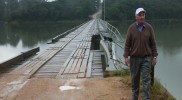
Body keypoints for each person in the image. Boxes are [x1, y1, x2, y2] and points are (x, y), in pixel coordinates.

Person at [123, 8, 158, 100]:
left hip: (146, 58)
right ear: (136, 17)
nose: (142, 17)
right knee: (135, 81)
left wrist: (154, 56)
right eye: (140, 15)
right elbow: (127, 44)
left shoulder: (149, 28)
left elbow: (153, 43)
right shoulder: (131, 28)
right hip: (134, 59)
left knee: (146, 80)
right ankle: (135, 98)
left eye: (143, 15)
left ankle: (146, 98)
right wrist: (126, 57)